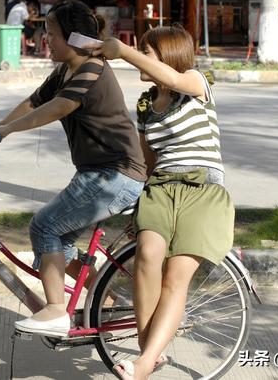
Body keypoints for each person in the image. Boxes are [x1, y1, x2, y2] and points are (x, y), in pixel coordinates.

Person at [0, 0, 147, 337]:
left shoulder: (92, 69)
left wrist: (8, 130)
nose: (46, 40)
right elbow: (35, 101)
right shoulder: (66, 70)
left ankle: (55, 311)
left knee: (44, 227)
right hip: (100, 173)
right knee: (60, 244)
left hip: (116, 174)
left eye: (51, 33)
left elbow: (58, 108)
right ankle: (105, 296)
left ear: (75, 38)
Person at [89, 24, 234, 379]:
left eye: (147, 52)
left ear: (167, 55)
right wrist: (136, 198)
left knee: (175, 278)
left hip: (202, 190)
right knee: (147, 258)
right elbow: (149, 157)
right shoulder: (146, 103)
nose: (142, 57)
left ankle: (142, 364)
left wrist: (122, 51)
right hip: (160, 189)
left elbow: (171, 77)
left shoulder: (197, 82)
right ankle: (148, 356)